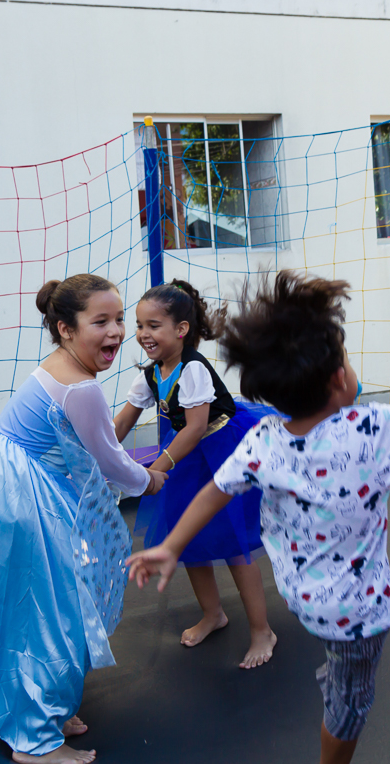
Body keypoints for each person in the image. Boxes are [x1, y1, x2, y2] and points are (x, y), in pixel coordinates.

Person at [127, 270, 390, 764]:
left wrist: (170, 546)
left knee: (341, 670)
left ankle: (327, 669)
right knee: (350, 705)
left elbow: (215, 491)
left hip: (303, 595)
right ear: (340, 379)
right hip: (358, 615)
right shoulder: (371, 427)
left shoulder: (265, 440)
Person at [0, 273, 168, 764]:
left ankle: (46, 705)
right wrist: (149, 480)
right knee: (43, 608)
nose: (114, 333)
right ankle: (35, 740)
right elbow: (110, 459)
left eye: (118, 321)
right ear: (66, 328)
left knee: (46, 601)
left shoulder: (58, 365)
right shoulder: (83, 387)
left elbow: (92, 446)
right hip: (11, 494)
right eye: (100, 322)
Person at [113, 280, 277, 667]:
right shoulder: (152, 373)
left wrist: (155, 468)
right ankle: (213, 614)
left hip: (220, 449)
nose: (142, 335)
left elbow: (196, 427)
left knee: (234, 543)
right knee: (188, 540)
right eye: (139, 326)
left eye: (153, 326)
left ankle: (261, 630)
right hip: (186, 456)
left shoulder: (193, 370)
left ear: (181, 330)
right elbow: (122, 420)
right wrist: (96, 452)